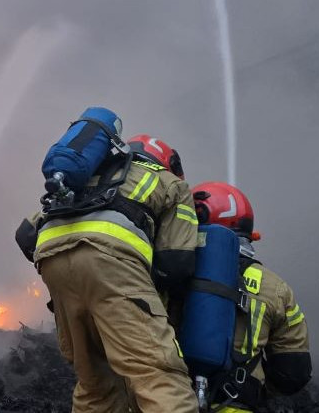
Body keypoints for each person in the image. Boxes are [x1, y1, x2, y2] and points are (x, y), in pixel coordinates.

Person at [17, 111, 200, 413]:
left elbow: (25, 235)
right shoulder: (170, 183)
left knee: (96, 386)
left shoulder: (86, 179)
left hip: (52, 261)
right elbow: (177, 263)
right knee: (156, 374)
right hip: (113, 266)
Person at [191, 182, 312, 412]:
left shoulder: (171, 273)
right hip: (237, 402)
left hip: (167, 400)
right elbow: (293, 373)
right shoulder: (275, 288)